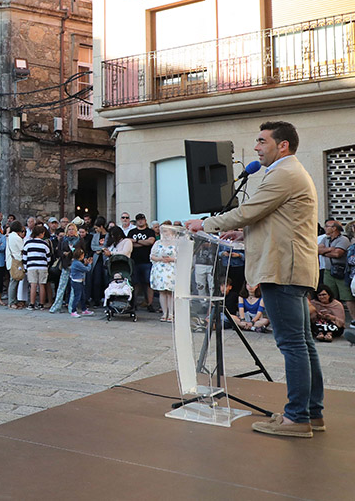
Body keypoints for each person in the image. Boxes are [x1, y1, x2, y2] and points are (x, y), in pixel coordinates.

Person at [186, 121, 321, 438]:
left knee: (293, 346)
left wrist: (205, 224)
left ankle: (297, 418)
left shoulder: (284, 173)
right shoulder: (288, 172)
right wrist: (242, 233)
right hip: (290, 267)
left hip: (282, 270)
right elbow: (273, 221)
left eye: (262, 141)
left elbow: (248, 211)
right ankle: (311, 413)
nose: (257, 147)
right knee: (303, 344)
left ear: (282, 145)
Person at [317, 220, 352, 323]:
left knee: (347, 296)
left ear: (334, 228)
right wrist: (330, 249)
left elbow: (338, 254)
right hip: (328, 271)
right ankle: (329, 318)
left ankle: (353, 319)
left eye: (327, 226)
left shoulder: (343, 239)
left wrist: (324, 251)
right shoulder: (325, 238)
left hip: (341, 271)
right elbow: (317, 250)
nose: (325, 228)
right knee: (330, 295)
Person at [128, 214, 157, 313]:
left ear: (145, 220)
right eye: (138, 220)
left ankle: (149, 303)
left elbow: (151, 242)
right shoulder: (132, 232)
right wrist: (143, 242)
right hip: (134, 261)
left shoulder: (150, 231)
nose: (140, 221)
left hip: (147, 261)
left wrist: (136, 241)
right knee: (135, 283)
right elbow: (129, 244)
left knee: (148, 283)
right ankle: (133, 303)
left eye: (142, 219)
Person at [149, 224, 177, 323]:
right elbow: (152, 256)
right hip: (160, 269)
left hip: (172, 269)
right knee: (162, 292)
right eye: (163, 231)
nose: (164, 233)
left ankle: (171, 314)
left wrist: (171, 259)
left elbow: (181, 256)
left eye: (166, 231)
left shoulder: (177, 243)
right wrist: (160, 258)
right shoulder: (158, 243)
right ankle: (164, 313)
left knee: (170, 292)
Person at [22, 225, 51, 310]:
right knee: (42, 285)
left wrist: (26, 267)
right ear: (42, 234)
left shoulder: (28, 243)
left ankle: (32, 304)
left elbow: (24, 257)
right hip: (42, 266)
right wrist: (46, 265)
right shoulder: (44, 244)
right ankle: (41, 304)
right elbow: (48, 257)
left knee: (33, 285)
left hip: (31, 266)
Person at [5, 221, 26, 309]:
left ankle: (13, 300)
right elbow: (22, 248)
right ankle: (11, 302)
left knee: (13, 281)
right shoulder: (16, 238)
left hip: (10, 260)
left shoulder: (9, 236)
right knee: (14, 281)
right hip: (16, 261)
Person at [67, 247, 93, 317]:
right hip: (76, 282)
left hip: (79, 281)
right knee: (77, 296)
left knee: (82, 296)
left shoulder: (76, 262)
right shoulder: (77, 263)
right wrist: (89, 264)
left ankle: (84, 309)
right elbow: (87, 269)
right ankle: (73, 311)